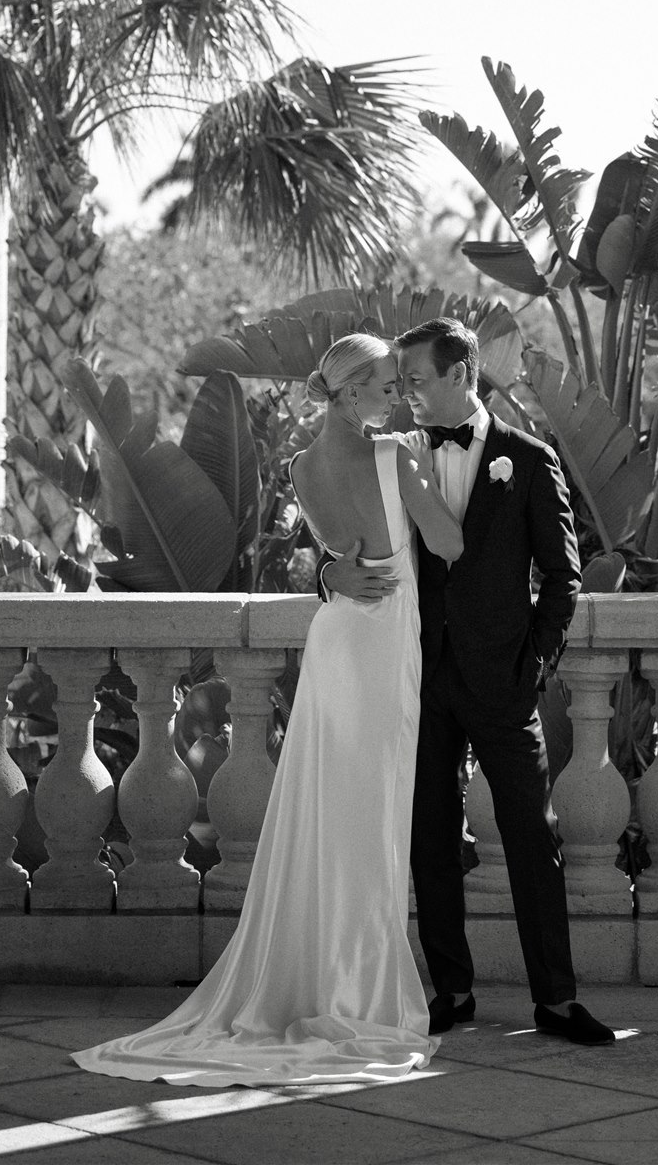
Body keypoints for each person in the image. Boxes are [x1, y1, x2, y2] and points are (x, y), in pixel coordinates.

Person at [73, 331, 462, 1087]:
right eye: (385, 385)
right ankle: (359, 990)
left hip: (337, 641)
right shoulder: (397, 457)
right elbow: (445, 543)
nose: (397, 396)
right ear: (350, 393)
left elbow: (335, 556)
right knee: (371, 814)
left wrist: (330, 570)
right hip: (383, 643)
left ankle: (316, 979)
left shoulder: (299, 467)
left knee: (327, 810)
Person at [324, 316, 615, 1046]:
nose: (405, 395)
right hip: (416, 675)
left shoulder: (530, 458)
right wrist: (329, 574)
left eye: (416, 380)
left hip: (503, 682)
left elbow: (563, 577)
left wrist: (533, 665)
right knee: (429, 840)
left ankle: (556, 1000)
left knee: (531, 838)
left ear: (462, 374)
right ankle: (450, 990)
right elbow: (336, 542)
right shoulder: (389, 454)